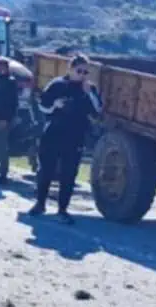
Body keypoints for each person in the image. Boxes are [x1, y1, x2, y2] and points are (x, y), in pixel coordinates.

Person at [29, 54, 102, 225]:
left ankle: (63, 209)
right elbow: (42, 105)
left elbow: (97, 110)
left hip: (75, 136)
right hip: (54, 133)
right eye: (79, 71)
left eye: (86, 72)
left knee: (69, 174)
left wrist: (88, 93)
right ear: (71, 69)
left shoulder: (89, 89)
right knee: (46, 170)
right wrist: (55, 105)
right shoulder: (57, 84)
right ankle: (40, 204)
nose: (82, 75)